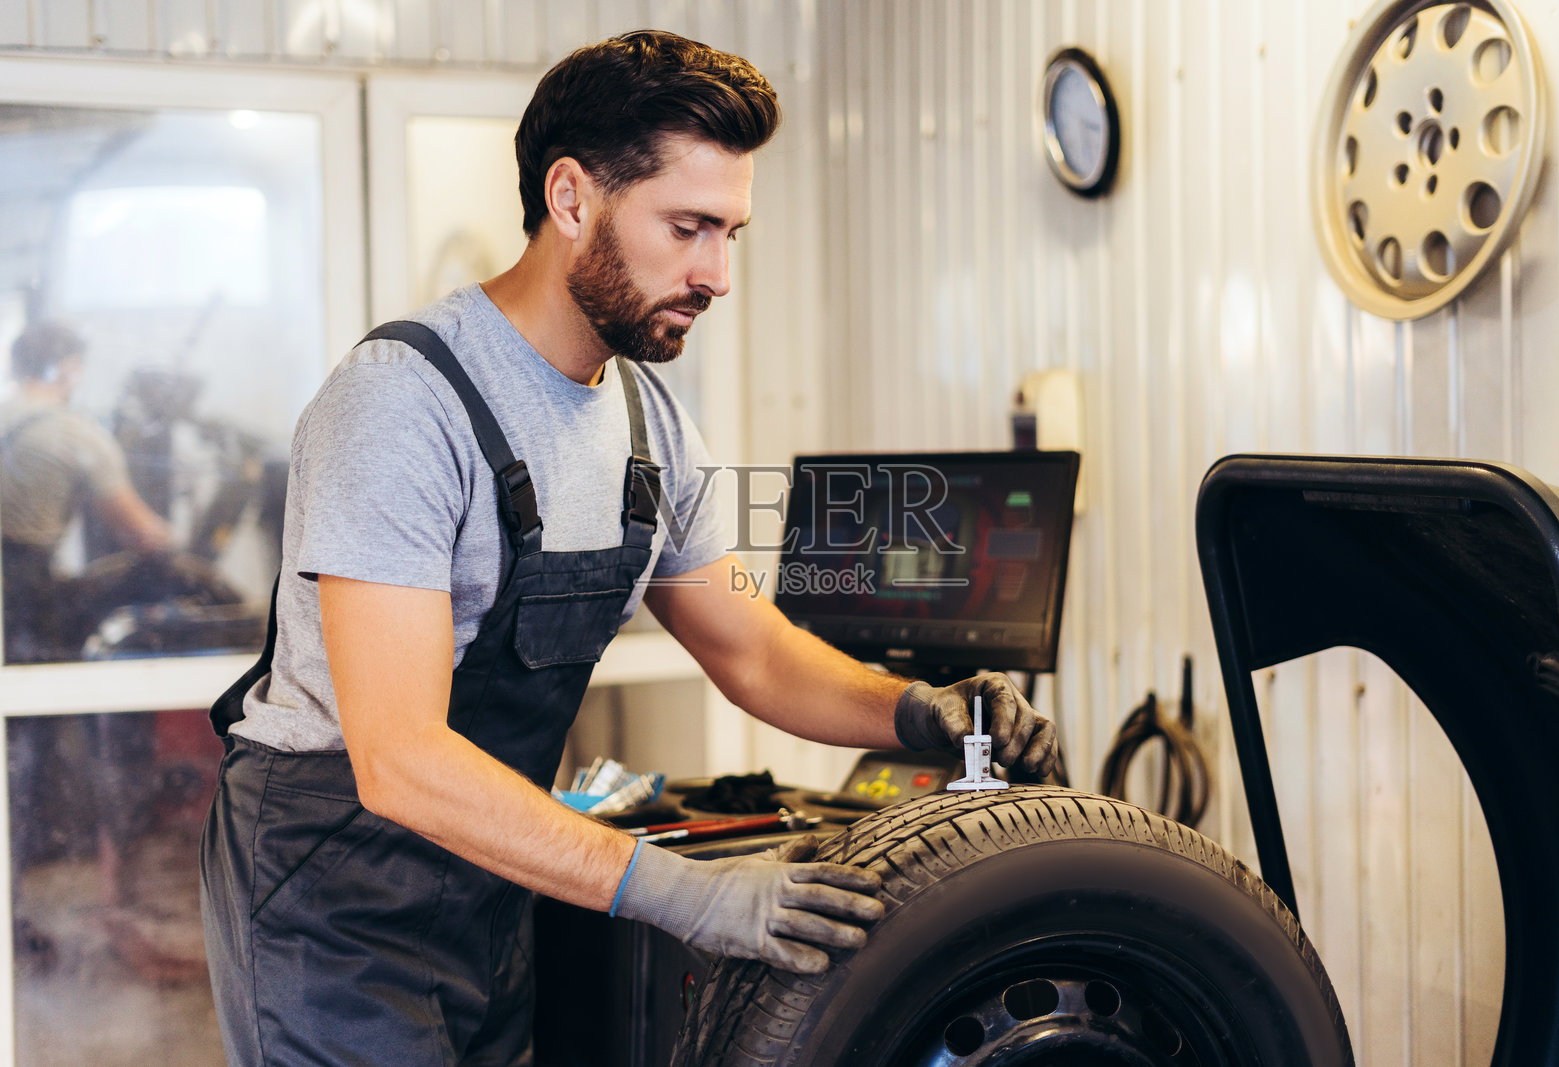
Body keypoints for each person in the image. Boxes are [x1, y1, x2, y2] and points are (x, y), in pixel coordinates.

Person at [199, 29, 1059, 1067]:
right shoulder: (401, 401)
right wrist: (685, 894)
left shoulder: (648, 420)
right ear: (571, 199)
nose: (718, 273)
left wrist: (921, 710)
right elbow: (401, 759)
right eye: (689, 226)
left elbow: (753, 652)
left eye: (732, 231)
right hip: (336, 893)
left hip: (488, 874)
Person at [0, 321, 173, 662]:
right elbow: (144, 534)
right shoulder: (76, 433)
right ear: (68, 368)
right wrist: (178, 543)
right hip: (25, 594)